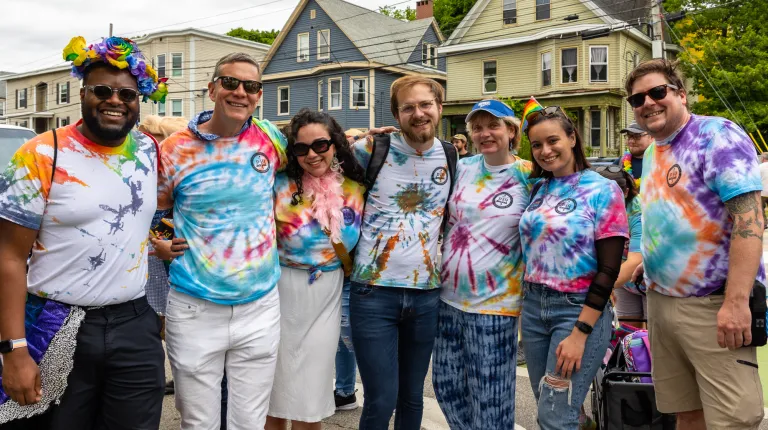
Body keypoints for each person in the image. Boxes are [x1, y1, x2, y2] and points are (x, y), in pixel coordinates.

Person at [0, 36, 165, 428]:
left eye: (127, 93)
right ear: (82, 93)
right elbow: (7, 257)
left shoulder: (147, 149)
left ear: (139, 99)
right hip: (56, 321)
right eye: (103, 91)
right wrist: (13, 350)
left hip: (134, 323)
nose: (115, 101)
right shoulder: (39, 154)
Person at [628, 59, 765, 429]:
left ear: (681, 95)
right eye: (637, 99)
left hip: (713, 306)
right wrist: (651, 261)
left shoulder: (717, 135)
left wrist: (736, 303)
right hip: (660, 302)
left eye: (657, 92)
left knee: (733, 419)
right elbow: (675, 218)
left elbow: (750, 221)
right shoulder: (654, 151)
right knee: (686, 412)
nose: (647, 103)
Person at [157, 52, 287, 430]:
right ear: (212, 88)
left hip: (260, 305)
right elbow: (152, 212)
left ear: (259, 95)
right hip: (195, 307)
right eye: (230, 83)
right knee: (199, 423)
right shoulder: (175, 148)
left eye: (251, 86)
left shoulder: (270, 138)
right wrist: (159, 243)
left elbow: (312, 168)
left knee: (249, 422)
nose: (240, 92)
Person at [349, 75, 456, 430]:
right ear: (396, 114)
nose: (418, 113)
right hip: (373, 292)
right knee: (380, 399)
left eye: (426, 104)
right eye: (408, 107)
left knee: (412, 399)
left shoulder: (452, 155)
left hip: (427, 295)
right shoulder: (370, 150)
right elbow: (325, 184)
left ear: (439, 108)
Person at [518, 98, 628, 430]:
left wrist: (581, 332)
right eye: (536, 144)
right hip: (534, 309)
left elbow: (609, 269)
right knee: (554, 408)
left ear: (572, 138)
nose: (545, 150)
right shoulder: (538, 188)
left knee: (555, 415)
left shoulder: (603, 189)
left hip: (577, 311)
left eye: (553, 140)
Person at [265, 109, 365, 430]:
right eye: (301, 148)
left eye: (320, 145)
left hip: (328, 295)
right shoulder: (277, 187)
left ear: (335, 144)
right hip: (280, 293)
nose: (311, 154)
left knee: (312, 390)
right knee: (274, 392)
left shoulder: (357, 189)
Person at [433, 99, 529, 428]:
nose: (485, 133)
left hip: (495, 305)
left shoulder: (528, 174)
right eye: (477, 127)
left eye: (493, 125)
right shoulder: (462, 167)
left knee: (491, 398)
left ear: (511, 130)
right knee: (445, 387)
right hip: (448, 300)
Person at [595, 167, 645, 325]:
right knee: (627, 334)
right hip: (622, 282)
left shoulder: (639, 213)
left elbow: (635, 260)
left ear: (625, 192)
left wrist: (597, 291)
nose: (602, 201)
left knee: (651, 339)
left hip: (651, 279)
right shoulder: (595, 210)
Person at [614, 122, 653, 187]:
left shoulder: (662, 163)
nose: (631, 141)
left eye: (637, 136)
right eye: (629, 136)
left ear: (651, 137)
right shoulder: (619, 164)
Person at [759, 152, 768, 228]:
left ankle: (764, 224)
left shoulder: (759, 167)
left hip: (762, 192)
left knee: (761, 209)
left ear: (763, 158)